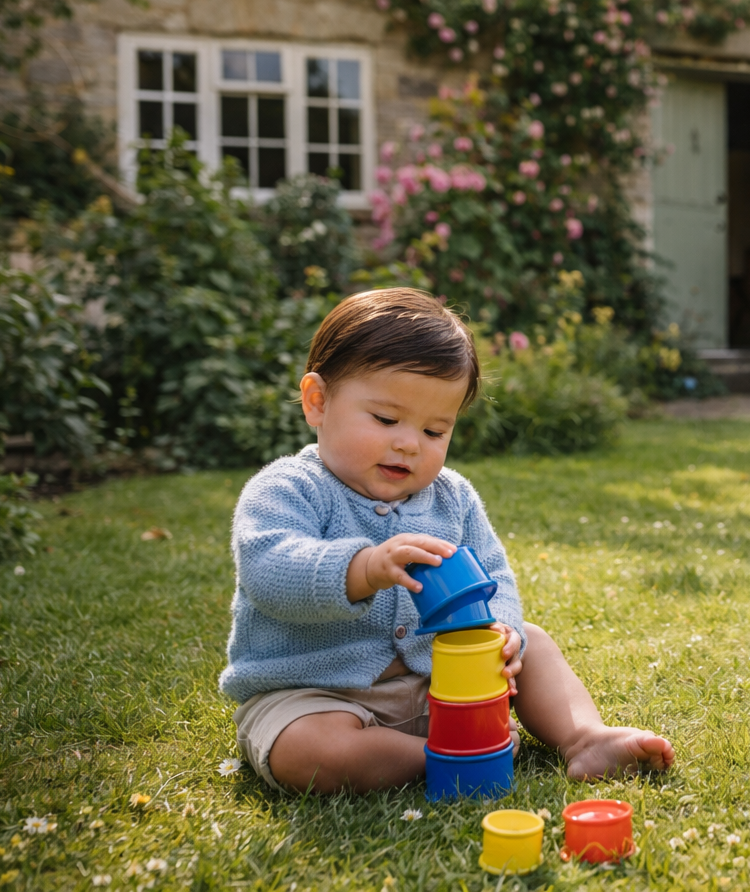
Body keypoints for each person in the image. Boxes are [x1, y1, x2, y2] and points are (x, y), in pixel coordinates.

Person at [220, 288, 674, 793]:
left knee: (533, 639)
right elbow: (269, 569)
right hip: (316, 696)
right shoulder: (288, 489)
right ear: (318, 401)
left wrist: (503, 632)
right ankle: (450, 757)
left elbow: (495, 576)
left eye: (436, 430)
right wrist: (363, 567)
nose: (409, 443)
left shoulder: (451, 496)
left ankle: (584, 737)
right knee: (310, 752)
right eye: (386, 419)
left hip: (441, 688)